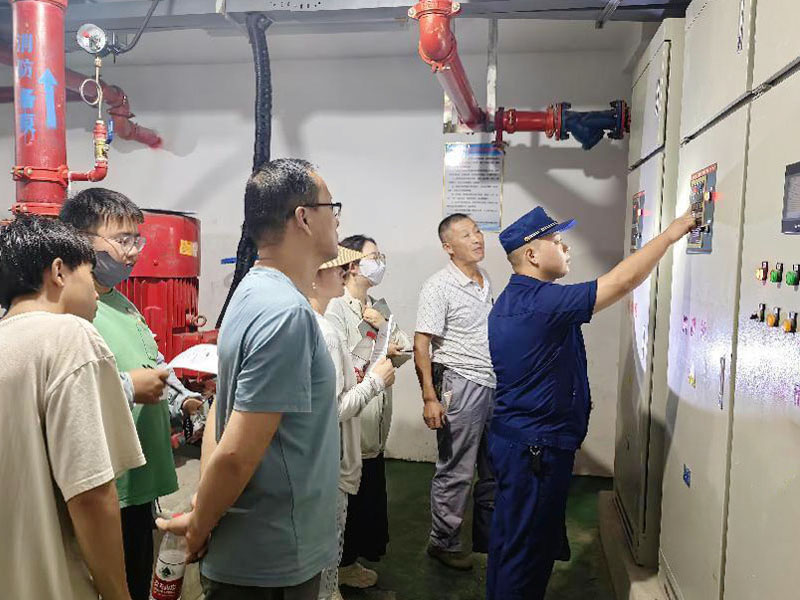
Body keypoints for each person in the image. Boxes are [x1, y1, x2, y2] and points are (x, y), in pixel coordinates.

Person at [486, 206, 697, 600]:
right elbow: (622, 281)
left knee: (515, 543)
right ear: (531, 254)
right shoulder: (541, 302)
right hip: (535, 449)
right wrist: (672, 234)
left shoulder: (521, 299)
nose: (566, 247)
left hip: (526, 445)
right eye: (556, 241)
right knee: (526, 553)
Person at [158, 158, 341, 599]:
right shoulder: (286, 313)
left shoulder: (252, 290)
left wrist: (204, 502)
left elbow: (220, 410)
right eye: (331, 207)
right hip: (272, 556)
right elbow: (237, 454)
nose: (337, 220)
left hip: (259, 545)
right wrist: (199, 526)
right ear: (303, 217)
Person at [60, 188, 203, 600]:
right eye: (123, 240)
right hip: (106, 486)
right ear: (80, 240)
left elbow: (154, 362)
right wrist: (129, 386)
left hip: (140, 479)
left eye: (137, 240)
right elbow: (68, 392)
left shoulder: (123, 303)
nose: (134, 251)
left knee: (137, 578)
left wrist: (182, 400)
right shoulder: (72, 311)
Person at [0, 216, 144, 600]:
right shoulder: (69, 336)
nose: (96, 292)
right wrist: (118, 594)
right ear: (59, 272)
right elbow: (90, 495)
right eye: (90, 275)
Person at [309, 245, 396, 600]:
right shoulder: (327, 328)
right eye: (339, 268)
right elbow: (334, 406)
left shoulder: (369, 308)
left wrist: (381, 334)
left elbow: (362, 364)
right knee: (328, 539)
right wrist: (375, 381)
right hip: (333, 451)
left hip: (344, 445)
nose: (346, 273)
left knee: (337, 530)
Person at [326, 235, 412, 587]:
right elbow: (347, 364)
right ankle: (336, 569)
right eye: (374, 256)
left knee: (367, 500)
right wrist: (377, 338)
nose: (380, 262)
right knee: (345, 501)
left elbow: (403, 350)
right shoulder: (336, 309)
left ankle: (349, 563)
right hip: (351, 418)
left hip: (376, 420)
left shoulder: (378, 305)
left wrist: (384, 326)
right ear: (352, 265)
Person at [414, 213, 496, 571]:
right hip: (460, 384)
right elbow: (421, 344)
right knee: (457, 469)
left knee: (494, 467)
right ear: (448, 247)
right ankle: (443, 542)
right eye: (466, 235)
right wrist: (430, 397)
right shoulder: (439, 286)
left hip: (492, 383)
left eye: (477, 231)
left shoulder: (484, 279)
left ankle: (489, 538)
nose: (477, 238)